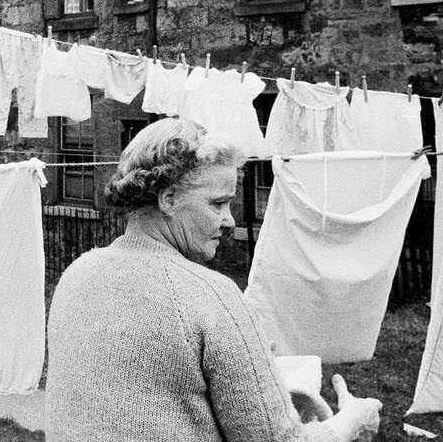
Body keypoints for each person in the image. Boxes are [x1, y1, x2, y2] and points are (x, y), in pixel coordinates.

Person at [45, 118, 382, 442]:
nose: (228, 220)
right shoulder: (212, 298)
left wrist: (249, 367)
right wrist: (350, 423)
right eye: (218, 203)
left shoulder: (77, 274)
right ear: (169, 199)